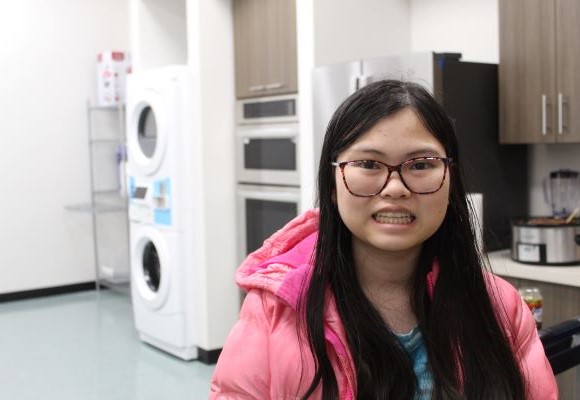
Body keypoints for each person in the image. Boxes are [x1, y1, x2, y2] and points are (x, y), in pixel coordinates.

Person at [210, 80, 557, 399]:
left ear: (451, 182)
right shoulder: (276, 310)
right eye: (369, 164)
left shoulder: (499, 305)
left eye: (421, 165)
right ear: (332, 185)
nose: (395, 188)